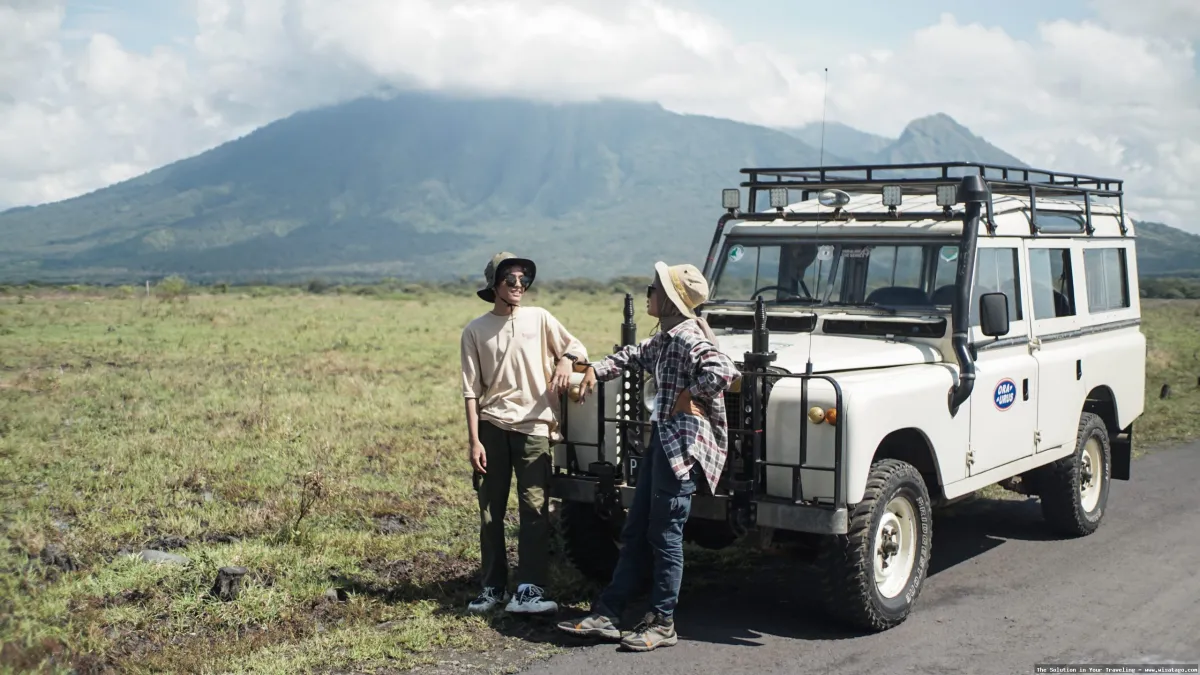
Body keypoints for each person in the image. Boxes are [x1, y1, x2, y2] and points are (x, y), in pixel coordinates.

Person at [556, 261, 738, 652]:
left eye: (653, 288)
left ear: (671, 300)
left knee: (665, 535)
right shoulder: (668, 337)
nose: (647, 293)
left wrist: (690, 395)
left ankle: (663, 622)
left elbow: (723, 369)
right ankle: (609, 613)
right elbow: (634, 355)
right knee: (637, 530)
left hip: (682, 449)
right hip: (665, 443)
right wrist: (595, 369)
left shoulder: (688, 337)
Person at [460, 252, 589, 615]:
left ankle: (530, 588)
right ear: (494, 286)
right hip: (492, 426)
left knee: (534, 507)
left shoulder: (541, 318)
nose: (519, 286)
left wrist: (564, 359)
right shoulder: (475, 330)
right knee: (490, 511)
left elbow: (576, 348)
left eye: (523, 280)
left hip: (534, 427)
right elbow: (470, 390)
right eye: (510, 280)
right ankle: (492, 587)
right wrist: (474, 442)